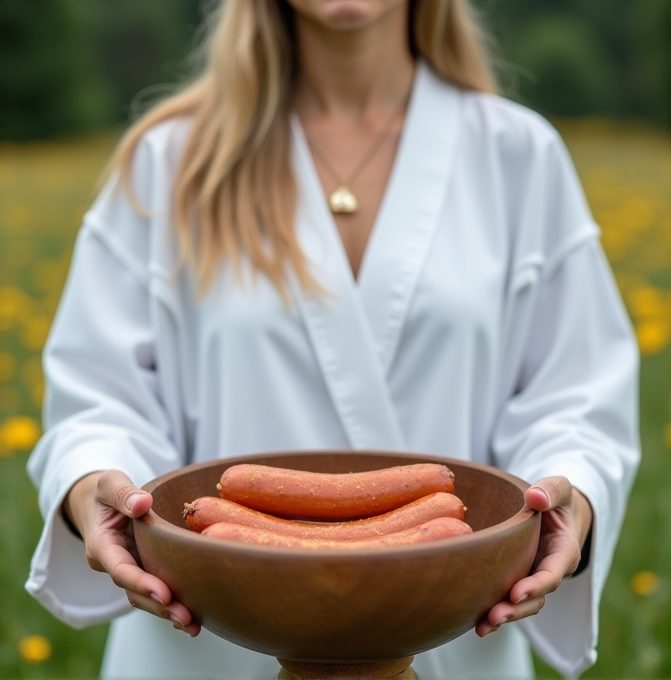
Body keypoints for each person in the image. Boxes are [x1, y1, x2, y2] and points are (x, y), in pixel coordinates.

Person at [25, 1, 640, 678]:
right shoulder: (166, 159)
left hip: (457, 632)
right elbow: (98, 396)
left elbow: (576, 396)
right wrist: (96, 487)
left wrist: (569, 500)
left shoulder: (519, 155)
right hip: (204, 643)